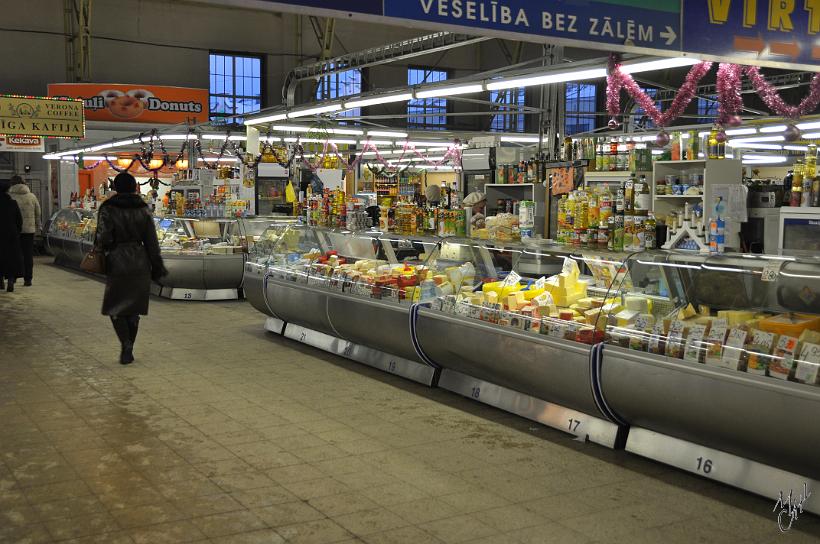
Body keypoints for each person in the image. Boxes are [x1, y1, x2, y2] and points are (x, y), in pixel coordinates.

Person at [94, 172, 167, 364]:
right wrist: (157, 266)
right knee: (134, 307)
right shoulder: (143, 209)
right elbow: (152, 241)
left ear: (115, 188)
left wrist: (104, 248)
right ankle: (130, 346)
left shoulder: (108, 208)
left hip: (117, 260)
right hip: (139, 260)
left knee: (116, 306)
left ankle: (125, 343)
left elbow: (103, 237)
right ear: (135, 186)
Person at [8, 175, 41, 286]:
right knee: (27, 255)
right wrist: (38, 226)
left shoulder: (9, 196)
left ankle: (13, 277)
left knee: (13, 254)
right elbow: (38, 213)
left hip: (13, 231)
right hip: (29, 230)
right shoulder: (31, 196)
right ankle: (28, 279)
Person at [0, 181, 23, 292]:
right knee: (11, 258)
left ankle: (0, 282)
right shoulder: (12, 203)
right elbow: (19, 220)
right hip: (11, 235)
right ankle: (10, 280)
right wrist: (16, 232)